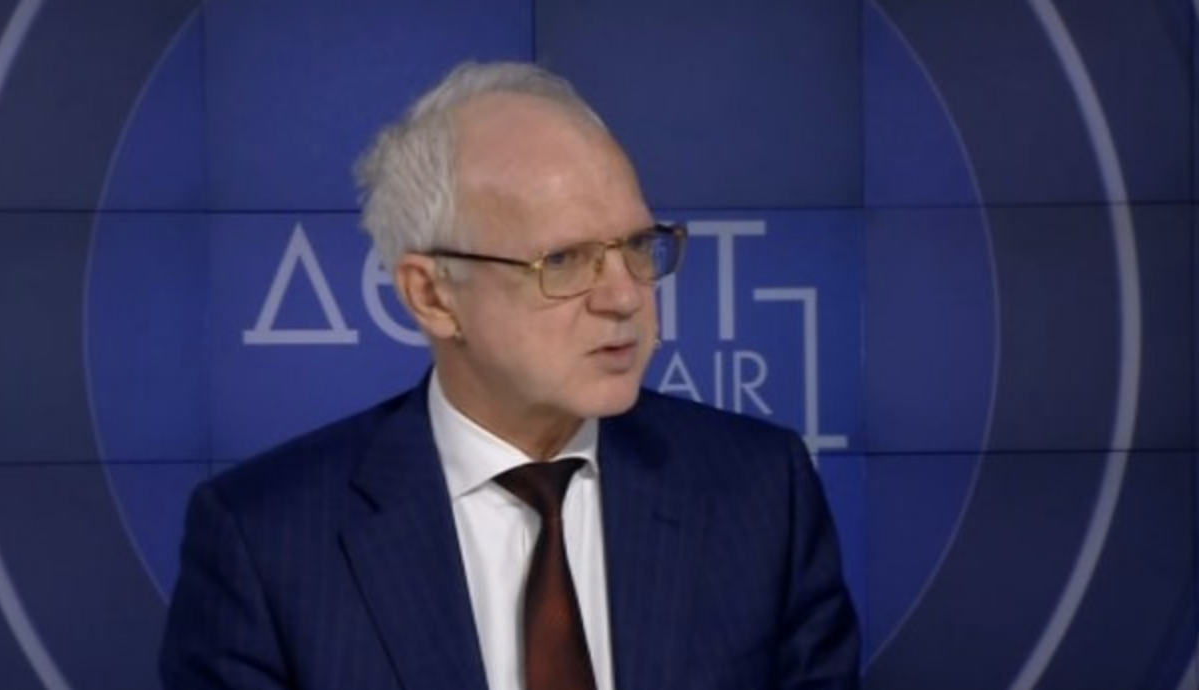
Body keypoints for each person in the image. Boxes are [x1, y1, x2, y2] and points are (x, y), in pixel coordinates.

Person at [159, 60, 861, 690]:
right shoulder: (265, 541)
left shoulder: (760, 491)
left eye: (637, 246)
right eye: (564, 260)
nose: (624, 295)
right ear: (433, 296)